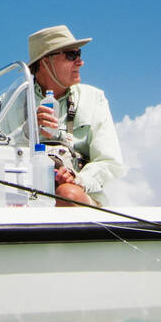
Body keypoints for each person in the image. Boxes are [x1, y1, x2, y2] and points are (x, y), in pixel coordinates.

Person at [28, 25, 125, 207]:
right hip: (24, 192)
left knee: (67, 194)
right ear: (45, 62)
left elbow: (110, 162)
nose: (80, 62)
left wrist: (78, 179)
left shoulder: (95, 99)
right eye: (72, 56)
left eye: (79, 55)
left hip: (78, 196)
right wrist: (27, 130)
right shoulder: (11, 100)